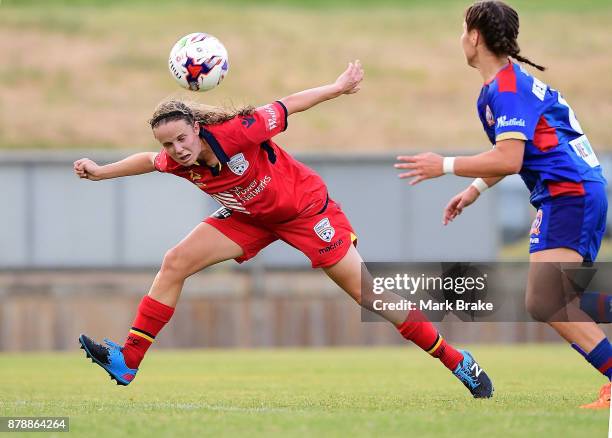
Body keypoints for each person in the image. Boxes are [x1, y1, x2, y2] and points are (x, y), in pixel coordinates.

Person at [74, 61, 493, 398]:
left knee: (371, 295)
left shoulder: (238, 132)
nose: (176, 150)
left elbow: (289, 104)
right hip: (249, 218)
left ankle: (457, 361)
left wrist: (338, 86)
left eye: (181, 139)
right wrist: (99, 172)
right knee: (175, 262)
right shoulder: (174, 161)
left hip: (307, 213)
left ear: (197, 129)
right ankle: (129, 359)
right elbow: (147, 160)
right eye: (169, 145)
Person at [394, 0, 610, 409]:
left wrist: (445, 165)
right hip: (571, 192)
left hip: (569, 194)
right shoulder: (502, 88)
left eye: (463, 30)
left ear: (475, 37)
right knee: (553, 300)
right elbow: (516, 154)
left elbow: (510, 158)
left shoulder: (507, 90)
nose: (461, 38)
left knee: (548, 301)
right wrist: (474, 189)